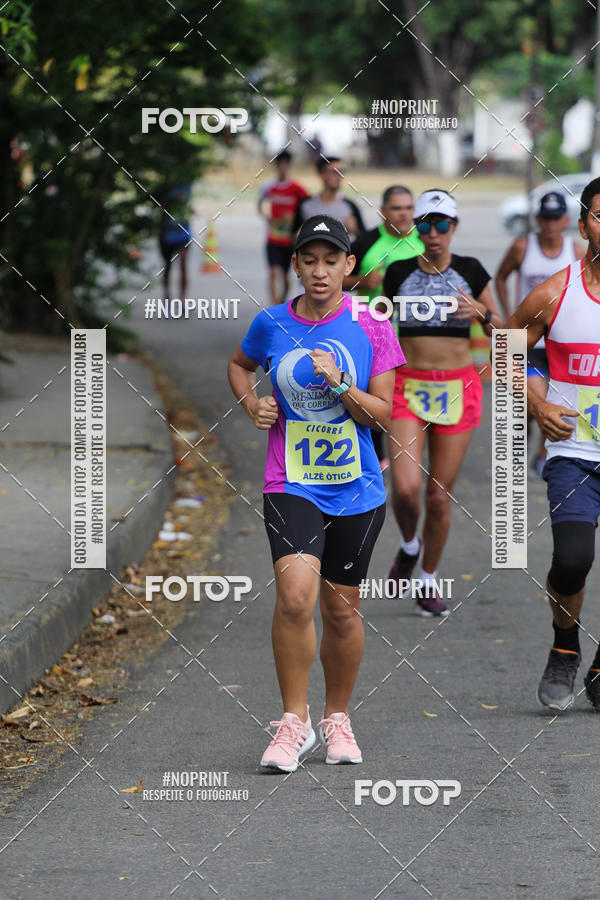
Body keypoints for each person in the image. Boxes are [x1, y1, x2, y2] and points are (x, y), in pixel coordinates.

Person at [227, 215, 404, 771]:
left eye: (332, 261)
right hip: (291, 482)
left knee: (341, 609)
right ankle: (293, 722)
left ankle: (337, 718)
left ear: (350, 266)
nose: (321, 271)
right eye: (310, 260)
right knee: (297, 597)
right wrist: (252, 403)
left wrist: (341, 383)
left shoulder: (372, 325)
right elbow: (239, 365)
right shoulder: (272, 322)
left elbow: (384, 411)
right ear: (297, 265)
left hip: (356, 488)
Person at [383, 189, 502, 616]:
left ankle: (428, 579)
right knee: (405, 487)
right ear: (416, 227)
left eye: (442, 225)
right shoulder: (396, 273)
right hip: (407, 387)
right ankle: (410, 543)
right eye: (425, 225)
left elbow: (504, 334)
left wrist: (482, 314)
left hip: (458, 387)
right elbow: (379, 330)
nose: (433, 234)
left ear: (454, 227)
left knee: (438, 496)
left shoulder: (472, 271)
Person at [506, 176, 600, 713]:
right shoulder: (554, 293)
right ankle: (565, 646)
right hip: (575, 455)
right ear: (585, 222)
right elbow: (505, 353)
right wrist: (538, 407)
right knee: (572, 560)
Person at [496, 191, 584, 475]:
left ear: (566, 221)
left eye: (556, 218)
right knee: (536, 400)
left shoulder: (576, 252)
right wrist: (509, 312)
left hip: (561, 343)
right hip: (529, 341)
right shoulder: (523, 246)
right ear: (537, 219)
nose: (550, 224)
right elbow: (500, 276)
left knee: (554, 403)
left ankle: (542, 453)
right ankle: (528, 443)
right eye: (545, 218)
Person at [342, 185, 425, 469]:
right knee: (376, 400)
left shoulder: (426, 240)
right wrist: (362, 282)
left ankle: (408, 457)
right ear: (383, 211)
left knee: (409, 405)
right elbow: (334, 277)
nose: (404, 214)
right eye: (396, 208)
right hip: (374, 338)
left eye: (408, 208)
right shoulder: (365, 242)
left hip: (416, 341)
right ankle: (377, 461)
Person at [258, 150, 309, 304]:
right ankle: (274, 307)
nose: (283, 168)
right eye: (281, 165)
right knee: (273, 272)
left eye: (287, 165)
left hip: (289, 240)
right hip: (273, 237)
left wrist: (296, 221)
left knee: (286, 277)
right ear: (276, 166)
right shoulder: (268, 186)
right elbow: (260, 205)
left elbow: (307, 205)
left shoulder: (296, 187)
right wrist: (267, 217)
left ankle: (281, 302)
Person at [294, 157, 366, 238]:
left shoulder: (350, 206)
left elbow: (365, 240)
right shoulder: (305, 205)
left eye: (342, 172)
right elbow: (293, 235)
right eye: (335, 172)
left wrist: (355, 230)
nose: (340, 176)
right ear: (321, 175)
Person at [158, 184, 193, 298]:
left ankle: (182, 300)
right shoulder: (165, 184)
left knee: (183, 265)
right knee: (167, 266)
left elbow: (187, 203)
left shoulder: (188, 185)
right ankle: (167, 296)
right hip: (167, 233)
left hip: (183, 233)